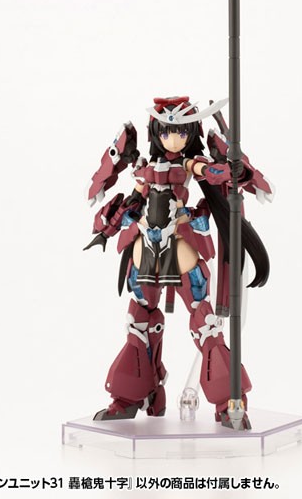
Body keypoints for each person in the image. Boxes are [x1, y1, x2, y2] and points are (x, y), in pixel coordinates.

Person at [84, 96, 272, 428]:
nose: (174, 139)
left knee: (205, 323)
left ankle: (228, 401)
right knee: (139, 322)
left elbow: (211, 171)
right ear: (155, 132)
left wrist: (235, 170)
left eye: (181, 132)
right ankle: (135, 396)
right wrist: (107, 226)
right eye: (167, 132)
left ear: (192, 133)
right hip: (145, 249)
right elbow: (133, 199)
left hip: (181, 248)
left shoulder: (189, 165)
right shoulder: (144, 168)